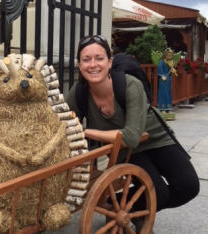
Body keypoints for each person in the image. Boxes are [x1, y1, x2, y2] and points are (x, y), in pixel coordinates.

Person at [66, 35, 200, 233]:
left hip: (154, 137)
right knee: (159, 194)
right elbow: (65, 125)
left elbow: (131, 136)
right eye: (86, 59)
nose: (93, 65)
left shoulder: (130, 85)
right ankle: (135, 211)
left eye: (99, 58)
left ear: (109, 62)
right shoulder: (78, 92)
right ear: (79, 64)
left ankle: (124, 204)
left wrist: (87, 131)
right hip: (124, 149)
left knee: (188, 186)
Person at [157, 48, 178, 113]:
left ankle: (168, 108)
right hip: (163, 79)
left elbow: (170, 71)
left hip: (168, 78)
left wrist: (173, 71)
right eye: (168, 55)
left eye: (171, 56)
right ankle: (162, 108)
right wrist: (162, 76)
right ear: (165, 55)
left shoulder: (171, 62)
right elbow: (160, 69)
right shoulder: (162, 62)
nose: (170, 57)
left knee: (168, 93)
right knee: (163, 93)